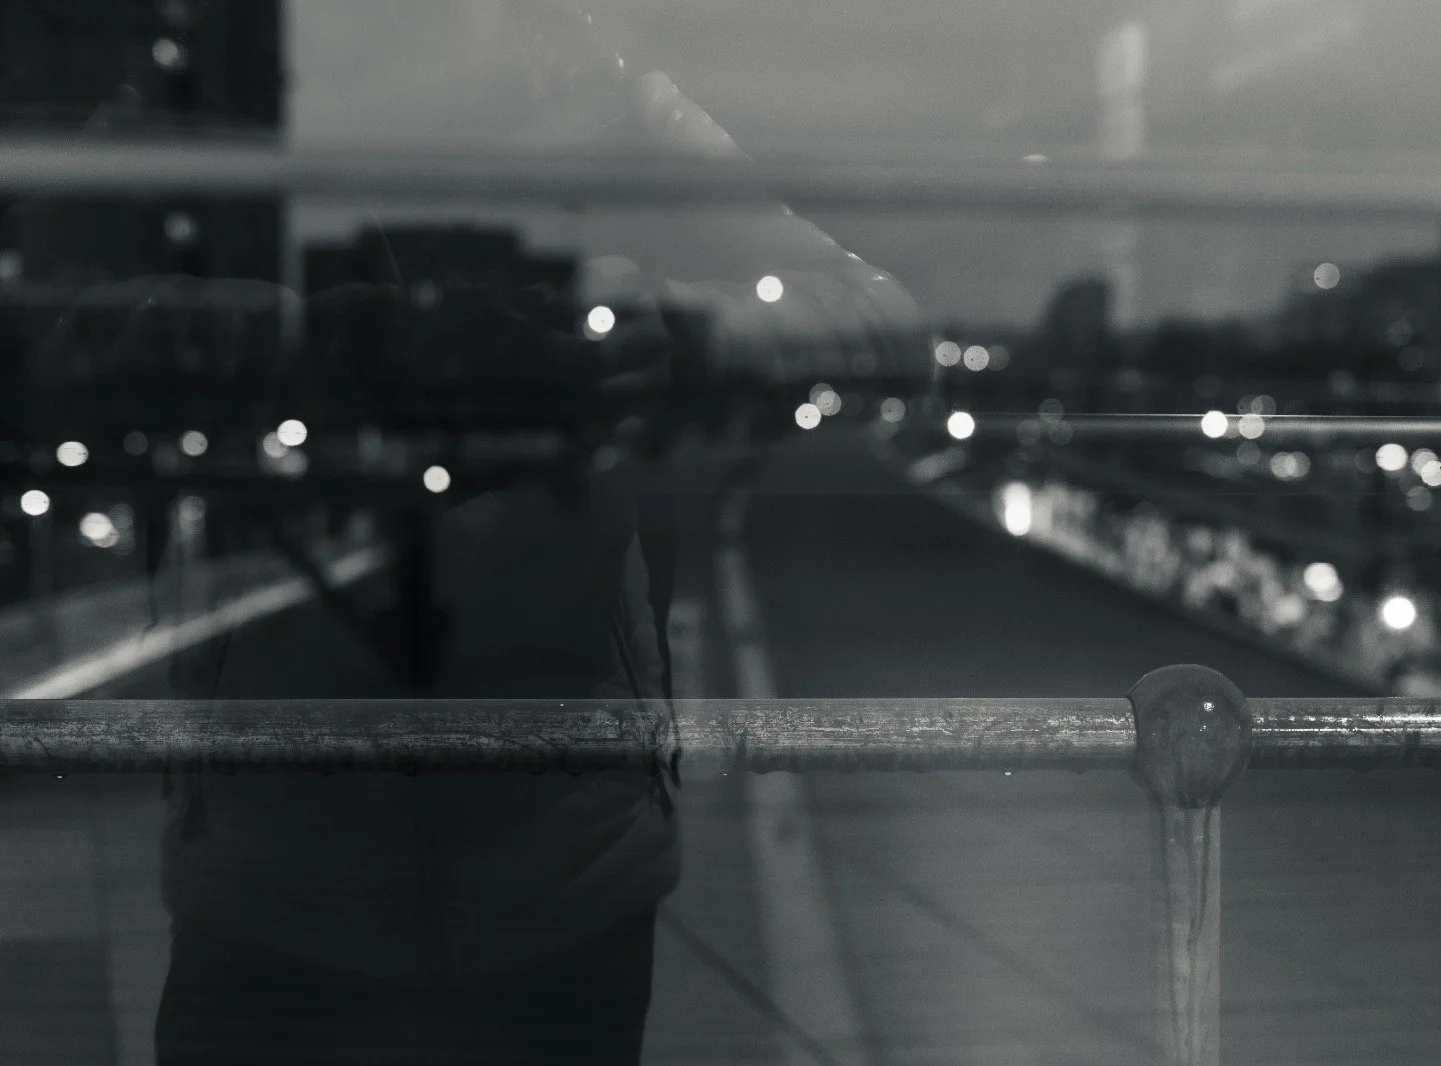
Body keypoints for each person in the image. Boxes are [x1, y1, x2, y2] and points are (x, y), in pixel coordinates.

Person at [134, 3, 930, 1063]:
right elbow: (58, 313)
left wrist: (682, 337)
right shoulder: (223, 75)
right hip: (321, 878)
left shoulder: (605, 100)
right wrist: (316, 345)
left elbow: (887, 326)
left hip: (527, 882)